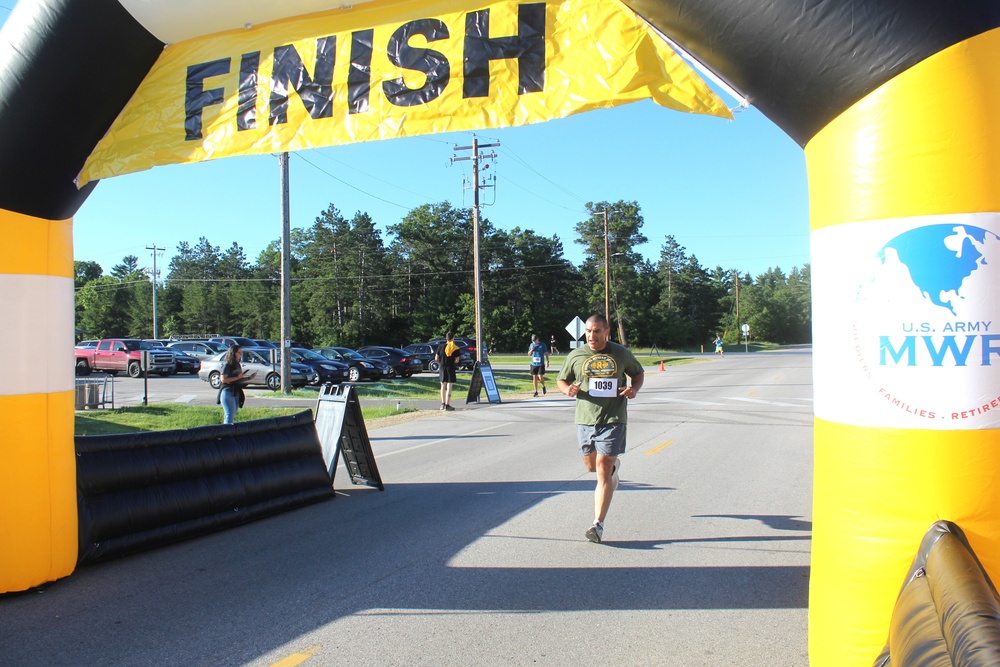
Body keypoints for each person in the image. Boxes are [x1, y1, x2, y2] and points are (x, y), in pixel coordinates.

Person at [557, 314, 644, 543]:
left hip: (614, 417)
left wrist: (633, 390)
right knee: (591, 467)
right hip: (585, 419)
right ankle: (614, 470)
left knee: (602, 467)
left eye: (596, 331)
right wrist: (567, 390)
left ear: (607, 332)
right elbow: (561, 380)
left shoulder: (621, 353)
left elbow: (638, 373)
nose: (591, 336)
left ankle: (598, 524)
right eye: (588, 331)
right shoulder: (576, 355)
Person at [218, 344, 255, 424]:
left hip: (236, 392)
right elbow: (223, 379)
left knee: (232, 414)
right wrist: (238, 378)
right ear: (233, 353)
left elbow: (239, 378)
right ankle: (226, 434)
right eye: (239, 353)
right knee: (229, 415)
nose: (240, 355)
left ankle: (226, 431)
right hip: (228, 392)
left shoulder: (237, 364)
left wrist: (249, 378)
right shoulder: (227, 365)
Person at [435, 332, 461, 411]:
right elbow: (457, 360)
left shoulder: (440, 347)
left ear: (446, 338)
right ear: (453, 338)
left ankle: (442, 404)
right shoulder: (455, 348)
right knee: (449, 386)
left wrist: (442, 361)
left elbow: (436, 358)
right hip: (450, 368)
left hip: (442, 367)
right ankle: (447, 404)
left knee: (443, 385)